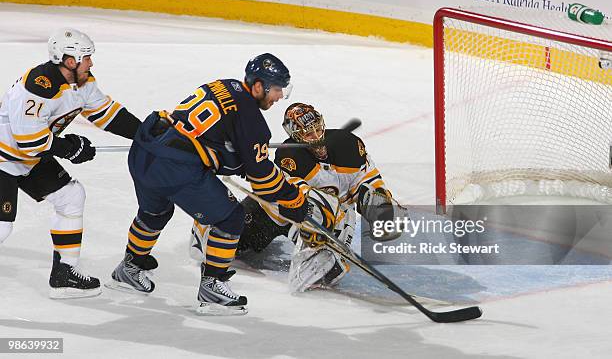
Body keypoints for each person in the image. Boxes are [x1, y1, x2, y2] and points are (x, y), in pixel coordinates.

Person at [106, 53, 308, 316]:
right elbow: (263, 179)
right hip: (175, 167)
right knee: (231, 218)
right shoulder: (252, 119)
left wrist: (237, 158)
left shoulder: (223, 85)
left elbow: (212, 133)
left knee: (155, 213)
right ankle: (213, 288)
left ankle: (128, 270)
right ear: (258, 86)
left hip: (146, 150)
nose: (280, 96)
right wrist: (291, 197)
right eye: (277, 89)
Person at [190, 102, 401, 293]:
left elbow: (368, 181)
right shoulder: (289, 157)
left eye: (318, 129)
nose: (317, 137)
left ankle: (320, 257)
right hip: (275, 214)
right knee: (221, 242)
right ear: (296, 136)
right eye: (308, 135)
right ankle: (209, 224)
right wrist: (313, 216)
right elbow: (291, 197)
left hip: (331, 219)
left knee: (346, 208)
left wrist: (378, 205)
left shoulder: (349, 146)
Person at [0, 28, 142, 299]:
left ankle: (64, 275)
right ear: (69, 60)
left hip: (28, 160)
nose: (91, 63)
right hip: (4, 158)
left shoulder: (82, 83)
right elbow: (28, 139)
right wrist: (69, 148)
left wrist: (146, 134)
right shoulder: (40, 85)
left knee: (71, 195)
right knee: (1, 227)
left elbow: (108, 114)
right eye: (86, 58)